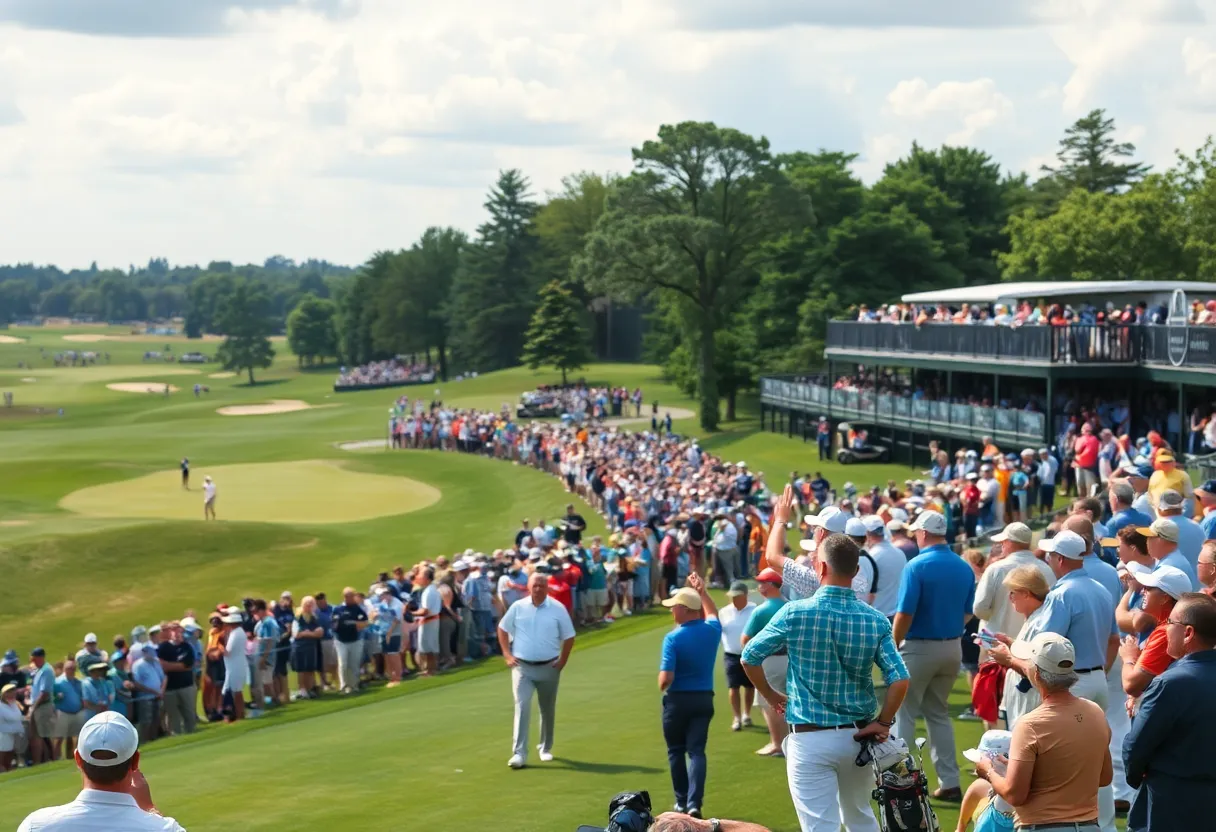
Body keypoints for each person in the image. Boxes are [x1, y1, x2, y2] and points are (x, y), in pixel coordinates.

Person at [743, 497, 909, 832]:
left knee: (821, 826)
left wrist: (771, 695)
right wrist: (885, 722)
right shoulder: (875, 620)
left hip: (810, 738)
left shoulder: (794, 611)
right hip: (860, 736)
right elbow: (899, 679)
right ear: (857, 570)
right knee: (860, 817)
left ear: (820, 567)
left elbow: (749, 656)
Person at [987, 530, 1119, 832]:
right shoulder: (1101, 587)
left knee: (1056, 761)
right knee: (1095, 759)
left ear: (1059, 559)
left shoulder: (1061, 594)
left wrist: (1010, 659)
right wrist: (1099, 670)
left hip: (1069, 684)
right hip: (1095, 679)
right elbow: (1113, 639)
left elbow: (1041, 652)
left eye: (1050, 555)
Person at [976, 633, 1112, 832]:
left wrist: (987, 770)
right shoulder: (1096, 713)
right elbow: (1104, 777)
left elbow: (1015, 795)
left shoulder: (1030, 725)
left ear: (1037, 674)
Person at [892, 509, 976, 801]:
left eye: (916, 532)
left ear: (923, 533)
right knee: (938, 714)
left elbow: (904, 612)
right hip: (952, 647)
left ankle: (903, 782)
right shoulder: (963, 566)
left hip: (918, 648)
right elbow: (968, 611)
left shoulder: (916, 566)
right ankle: (950, 782)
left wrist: (892, 643)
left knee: (904, 712)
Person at [1122, 593, 1216, 832]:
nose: (1164, 630)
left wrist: (1136, 777)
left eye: (1169, 624)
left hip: (1170, 803)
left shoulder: (1170, 683)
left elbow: (1135, 747)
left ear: (1188, 633)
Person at [16, 712, 185, 831]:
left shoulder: (35, 825)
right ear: (135, 761)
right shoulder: (165, 829)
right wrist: (150, 809)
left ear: (78, 759)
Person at [658, 573, 720, 818]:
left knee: (676, 751)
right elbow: (713, 612)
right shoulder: (712, 630)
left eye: (674, 607)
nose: (672, 611)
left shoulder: (673, 638)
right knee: (697, 752)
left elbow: (666, 679)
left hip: (677, 701)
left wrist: (660, 683)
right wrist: (702, 592)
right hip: (704, 699)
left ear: (684, 610)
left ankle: (681, 801)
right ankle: (695, 803)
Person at [498, 572, 575, 769]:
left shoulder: (557, 608)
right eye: (535, 585)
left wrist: (563, 661)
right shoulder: (518, 607)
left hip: (549, 666)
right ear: (529, 587)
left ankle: (545, 747)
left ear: (547, 587)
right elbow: (502, 628)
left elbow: (569, 636)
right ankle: (519, 754)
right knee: (522, 707)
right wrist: (507, 654)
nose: (538, 589)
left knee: (547, 709)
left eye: (542, 585)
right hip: (522, 667)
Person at [972, 522, 1055, 644]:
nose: (1001, 546)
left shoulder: (996, 569)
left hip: (995, 644)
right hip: (1032, 644)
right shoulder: (1046, 569)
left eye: (1003, 542)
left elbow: (979, 608)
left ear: (1009, 542)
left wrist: (997, 616)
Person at [1119, 565, 1189, 705]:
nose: (1143, 591)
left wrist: (1128, 657)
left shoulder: (1165, 632)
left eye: (1149, 588)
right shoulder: (1171, 626)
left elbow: (1131, 685)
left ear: (1164, 598)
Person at [740, 567, 787, 757]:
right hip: (791, 660)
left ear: (770, 585)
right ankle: (788, 741)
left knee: (770, 702)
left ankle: (778, 744)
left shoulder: (761, 611)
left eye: (762, 583)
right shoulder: (790, 605)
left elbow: (745, 639)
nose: (759, 586)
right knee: (787, 700)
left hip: (770, 661)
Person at [718, 581, 755, 732]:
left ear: (745, 595)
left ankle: (746, 714)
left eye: (737, 596)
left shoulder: (754, 610)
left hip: (750, 654)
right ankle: (737, 717)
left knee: (749, 686)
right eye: (732, 596)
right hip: (730, 655)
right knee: (733, 687)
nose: (733, 599)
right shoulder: (724, 612)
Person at [156, 622, 195, 735]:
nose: (176, 633)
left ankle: (191, 734)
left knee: (189, 714)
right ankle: (177, 736)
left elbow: (187, 665)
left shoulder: (186, 647)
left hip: (186, 686)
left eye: (178, 630)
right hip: (170, 688)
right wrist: (177, 666)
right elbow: (161, 666)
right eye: (173, 630)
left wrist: (169, 665)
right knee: (173, 717)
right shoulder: (163, 647)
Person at [331, 587, 369, 694]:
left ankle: (354, 685)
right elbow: (333, 625)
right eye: (346, 596)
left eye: (351, 596)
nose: (349, 598)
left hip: (355, 640)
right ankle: (344, 686)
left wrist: (353, 623)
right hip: (340, 640)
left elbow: (365, 623)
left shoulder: (357, 609)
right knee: (343, 663)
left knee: (354, 663)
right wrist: (338, 623)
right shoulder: (338, 609)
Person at [291, 595, 324, 698]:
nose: (309, 607)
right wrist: (312, 633)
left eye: (311, 605)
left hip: (311, 646)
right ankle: (302, 690)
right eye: (307, 605)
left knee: (310, 669)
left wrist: (307, 633)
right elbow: (296, 634)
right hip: (300, 647)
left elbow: (320, 632)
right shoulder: (298, 617)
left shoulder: (314, 617)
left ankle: (310, 689)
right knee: (302, 670)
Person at [218, 609, 247, 722]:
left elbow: (227, 652)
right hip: (237, 665)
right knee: (237, 690)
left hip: (234, 667)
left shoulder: (235, 633)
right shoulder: (240, 631)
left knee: (233, 691)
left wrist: (220, 647)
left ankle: (237, 715)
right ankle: (240, 714)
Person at [29, 647, 56, 764]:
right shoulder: (39, 670)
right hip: (38, 706)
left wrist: (33, 707)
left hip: (43, 706)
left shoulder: (46, 670)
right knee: (39, 735)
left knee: (45, 735)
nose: (33, 661)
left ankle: (51, 759)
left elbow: (44, 693)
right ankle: (43, 761)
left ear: (40, 658)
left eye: (34, 659)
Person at [416, 568, 442, 677]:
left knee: (428, 646)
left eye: (421, 576)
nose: (418, 578)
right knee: (429, 645)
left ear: (426, 578)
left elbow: (425, 610)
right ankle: (430, 668)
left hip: (429, 620)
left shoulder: (428, 591)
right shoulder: (432, 589)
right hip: (432, 620)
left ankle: (430, 669)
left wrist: (411, 613)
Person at [1, 683, 26, 771]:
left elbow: (19, 715)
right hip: (3, 733)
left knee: (11, 752)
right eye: (10, 692)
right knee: (3, 752)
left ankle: (8, 768)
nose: (13, 694)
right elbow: (9, 718)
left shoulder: (14, 704)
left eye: (13, 691)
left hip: (15, 732)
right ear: (4, 694)